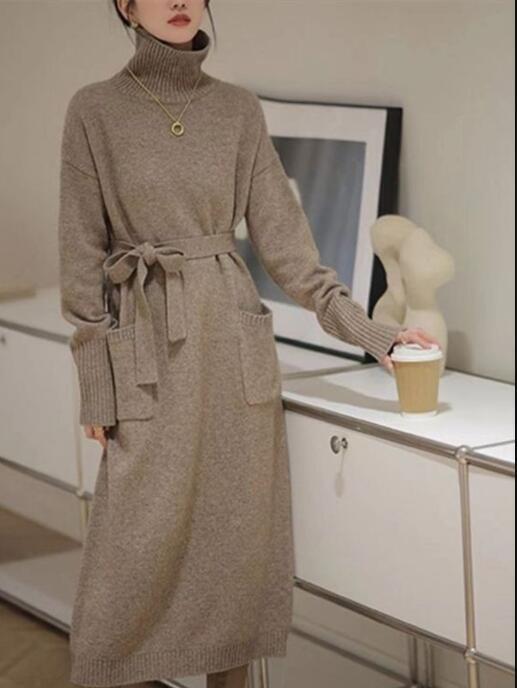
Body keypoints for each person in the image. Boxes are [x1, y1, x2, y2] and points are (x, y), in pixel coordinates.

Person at [57, 1, 440, 687]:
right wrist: (96, 383)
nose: (179, 1)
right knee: (128, 566)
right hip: (145, 352)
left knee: (232, 563)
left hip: (233, 354)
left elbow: (290, 251)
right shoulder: (94, 110)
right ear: (125, 5)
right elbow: (81, 252)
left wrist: (372, 334)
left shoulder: (237, 110)